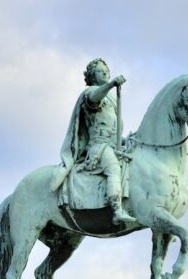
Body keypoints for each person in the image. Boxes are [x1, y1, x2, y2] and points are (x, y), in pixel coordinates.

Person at [51, 57, 136, 225]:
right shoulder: (90, 93)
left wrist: (126, 140)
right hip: (99, 147)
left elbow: (113, 133)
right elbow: (94, 99)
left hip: (112, 144)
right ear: (91, 76)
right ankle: (117, 210)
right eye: (99, 70)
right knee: (113, 169)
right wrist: (111, 84)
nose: (105, 72)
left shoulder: (110, 99)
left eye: (107, 70)